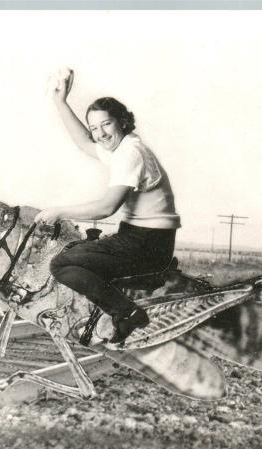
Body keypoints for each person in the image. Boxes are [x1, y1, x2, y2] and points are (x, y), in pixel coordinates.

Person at [35, 69, 181, 343]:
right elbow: (83, 142)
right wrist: (60, 102)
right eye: (94, 127)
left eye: (106, 125)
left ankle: (126, 313)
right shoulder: (124, 148)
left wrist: (57, 212)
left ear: (122, 122)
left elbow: (106, 208)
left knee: (61, 265)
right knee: (75, 251)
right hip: (143, 239)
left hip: (147, 244)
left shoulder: (130, 154)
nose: (100, 134)